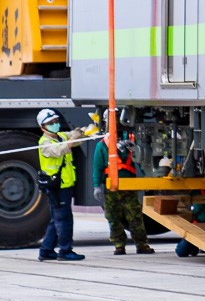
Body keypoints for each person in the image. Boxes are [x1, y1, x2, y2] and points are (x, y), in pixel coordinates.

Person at [36, 108, 92, 262]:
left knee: (57, 219)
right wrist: (73, 138)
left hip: (65, 184)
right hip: (56, 186)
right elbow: (60, 150)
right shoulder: (45, 143)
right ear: (43, 127)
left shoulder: (60, 136)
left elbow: (76, 138)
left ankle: (46, 250)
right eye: (50, 123)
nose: (55, 124)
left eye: (56, 121)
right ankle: (65, 250)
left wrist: (85, 131)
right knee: (64, 219)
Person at [91, 126, 153, 255]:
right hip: (112, 187)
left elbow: (142, 161)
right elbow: (97, 167)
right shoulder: (102, 145)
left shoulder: (132, 142)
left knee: (135, 216)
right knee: (113, 217)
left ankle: (141, 244)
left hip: (129, 186)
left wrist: (148, 179)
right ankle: (119, 244)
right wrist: (97, 185)